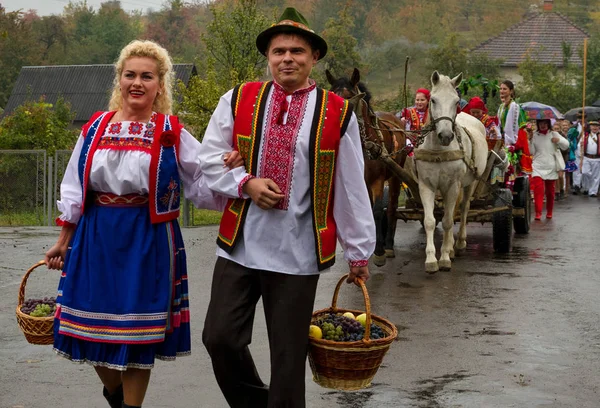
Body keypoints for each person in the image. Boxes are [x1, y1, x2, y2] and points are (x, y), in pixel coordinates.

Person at [44, 40, 242, 408]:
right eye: (130, 75)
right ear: (119, 81)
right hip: (95, 234)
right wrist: (63, 239)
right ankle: (116, 393)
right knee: (85, 329)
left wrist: (231, 170)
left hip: (148, 237)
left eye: (146, 76)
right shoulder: (95, 128)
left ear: (160, 85)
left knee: (137, 334)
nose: (137, 82)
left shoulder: (170, 131)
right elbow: (74, 187)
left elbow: (202, 179)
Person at [198, 7, 376, 408]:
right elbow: (208, 159)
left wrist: (358, 249)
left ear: (314, 58)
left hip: (298, 251)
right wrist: (245, 183)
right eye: (279, 51)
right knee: (219, 337)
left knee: (288, 358)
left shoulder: (337, 112)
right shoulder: (239, 98)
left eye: (297, 50)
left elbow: (351, 187)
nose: (287, 59)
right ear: (268, 57)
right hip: (240, 246)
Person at [529, 118, 569, 220]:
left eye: (545, 123)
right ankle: (538, 213)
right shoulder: (534, 135)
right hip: (537, 166)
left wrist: (558, 140)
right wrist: (530, 139)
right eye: (541, 123)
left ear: (548, 124)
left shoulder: (554, 134)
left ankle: (549, 212)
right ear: (538, 124)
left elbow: (566, 145)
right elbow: (531, 151)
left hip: (551, 166)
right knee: (538, 190)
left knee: (550, 192)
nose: (543, 125)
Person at [497, 80, 532, 181]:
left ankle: (509, 185)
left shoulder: (515, 107)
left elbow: (520, 126)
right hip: (502, 140)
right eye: (501, 89)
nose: (502, 91)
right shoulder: (501, 107)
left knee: (509, 165)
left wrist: (511, 142)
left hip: (512, 142)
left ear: (511, 91)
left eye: (504, 89)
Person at [579, 120, 600, 197]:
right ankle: (586, 187)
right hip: (587, 157)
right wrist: (581, 145)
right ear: (590, 127)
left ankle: (593, 191)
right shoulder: (585, 135)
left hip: (597, 158)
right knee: (585, 172)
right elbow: (579, 146)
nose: (595, 127)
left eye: (596, 126)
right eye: (593, 126)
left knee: (596, 176)